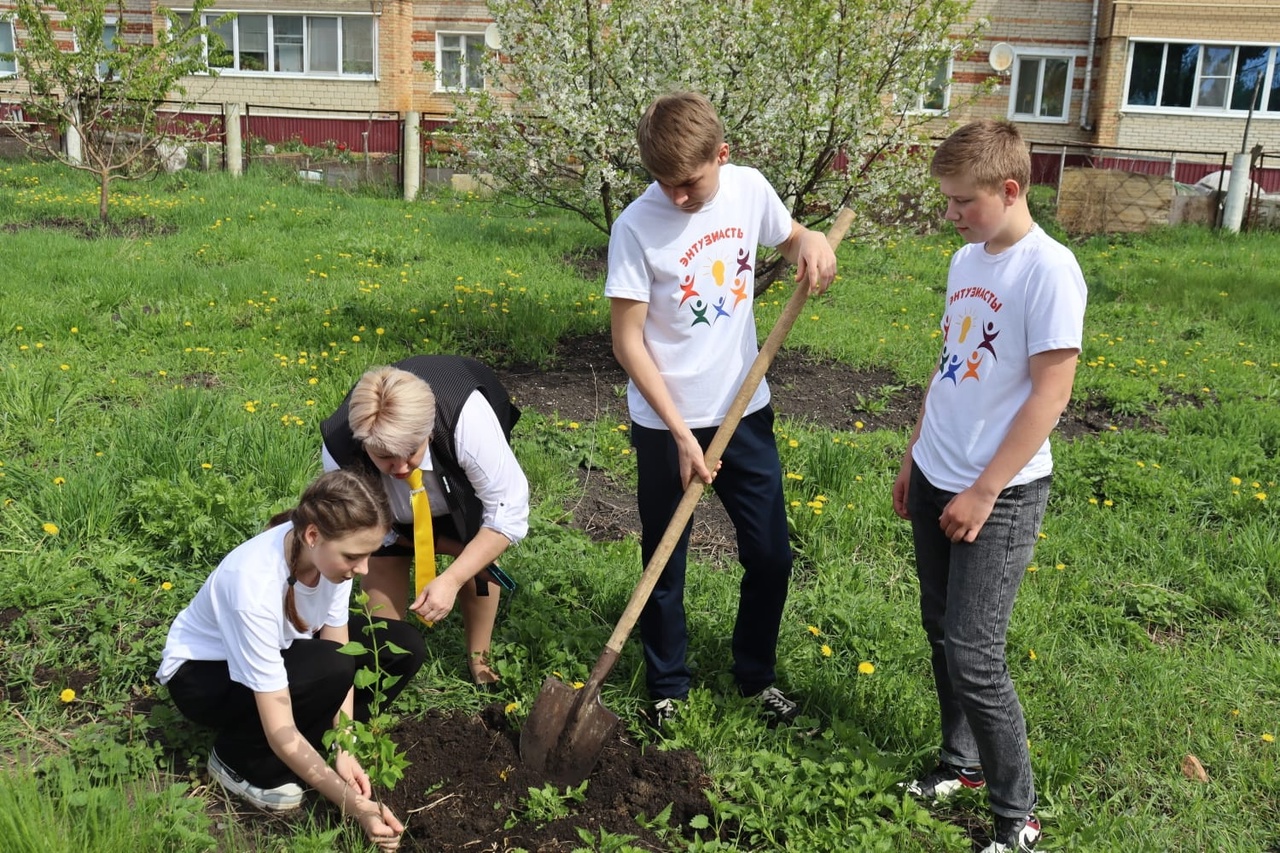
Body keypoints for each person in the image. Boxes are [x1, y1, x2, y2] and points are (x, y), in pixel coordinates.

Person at [605, 91, 838, 729]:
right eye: (664, 184)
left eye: (690, 183)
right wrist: (679, 434)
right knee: (665, 558)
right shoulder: (635, 227)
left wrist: (810, 242)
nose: (677, 197)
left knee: (770, 555)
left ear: (722, 155)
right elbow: (628, 342)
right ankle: (668, 689)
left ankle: (755, 676)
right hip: (665, 422)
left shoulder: (748, 190)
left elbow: (789, 238)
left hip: (744, 411)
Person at [892, 119, 1087, 853]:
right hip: (940, 471)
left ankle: (1018, 817)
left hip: (997, 493)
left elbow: (1050, 395)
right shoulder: (965, 258)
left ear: (1010, 190)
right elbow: (948, 362)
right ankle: (961, 762)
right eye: (947, 202)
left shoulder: (1049, 270)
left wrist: (982, 490)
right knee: (940, 629)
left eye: (962, 201)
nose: (952, 215)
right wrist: (916, 453)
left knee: (975, 650)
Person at [157, 469, 424, 851]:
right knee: (331, 668)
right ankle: (238, 759)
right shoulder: (253, 585)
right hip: (204, 678)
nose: (364, 569)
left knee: (404, 646)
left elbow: (339, 643)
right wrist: (358, 807)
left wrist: (343, 744)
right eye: (354, 556)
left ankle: (316, 746)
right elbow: (291, 713)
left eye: (369, 554)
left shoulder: (332, 557)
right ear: (313, 535)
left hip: (280, 654)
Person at [320, 356, 529, 687]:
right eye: (385, 457)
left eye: (410, 452)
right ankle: (384, 667)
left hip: (456, 479)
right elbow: (366, 530)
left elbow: (507, 513)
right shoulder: (340, 449)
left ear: (428, 432)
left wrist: (454, 576)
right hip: (393, 511)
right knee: (379, 557)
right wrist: (446, 548)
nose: (401, 468)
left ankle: (480, 660)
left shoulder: (467, 422)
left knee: (478, 554)